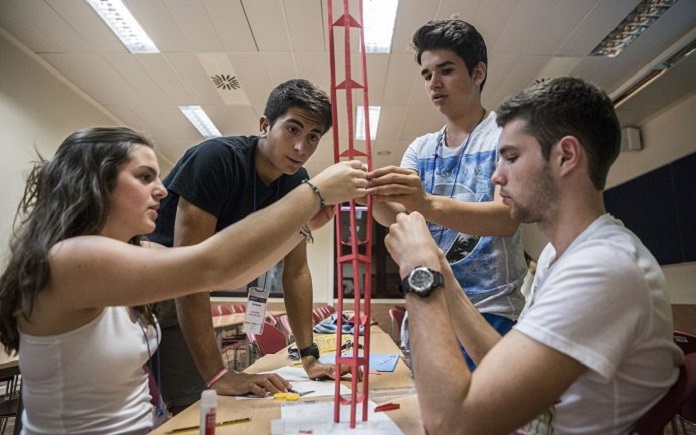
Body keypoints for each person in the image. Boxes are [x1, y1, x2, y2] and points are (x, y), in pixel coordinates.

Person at [0, 127, 367, 433]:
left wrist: (301, 226)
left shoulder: (124, 253)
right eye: (144, 177)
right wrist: (312, 193)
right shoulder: (71, 258)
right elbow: (209, 265)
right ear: (97, 182)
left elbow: (232, 273)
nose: (161, 190)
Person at [384, 77, 684, 434]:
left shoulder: (603, 267)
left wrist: (421, 269)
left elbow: (452, 423)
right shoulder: (558, 257)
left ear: (566, 156)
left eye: (511, 157)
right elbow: (502, 362)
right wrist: (443, 272)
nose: (497, 176)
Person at [148, 79, 353, 413]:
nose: (301, 147)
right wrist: (217, 375)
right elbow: (190, 272)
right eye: (292, 129)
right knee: (194, 407)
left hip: (193, 286)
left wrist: (309, 358)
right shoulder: (216, 159)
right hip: (154, 293)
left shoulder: (297, 183)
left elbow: (297, 271)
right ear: (264, 125)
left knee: (208, 407)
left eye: (313, 136)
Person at [367, 19, 526, 368]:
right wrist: (374, 196)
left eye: (446, 70)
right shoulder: (421, 148)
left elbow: (507, 219)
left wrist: (426, 203)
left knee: (481, 420)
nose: (434, 83)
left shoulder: (505, 134)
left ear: (478, 72)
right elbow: (401, 217)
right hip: (430, 305)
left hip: (490, 310)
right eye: (426, 75)